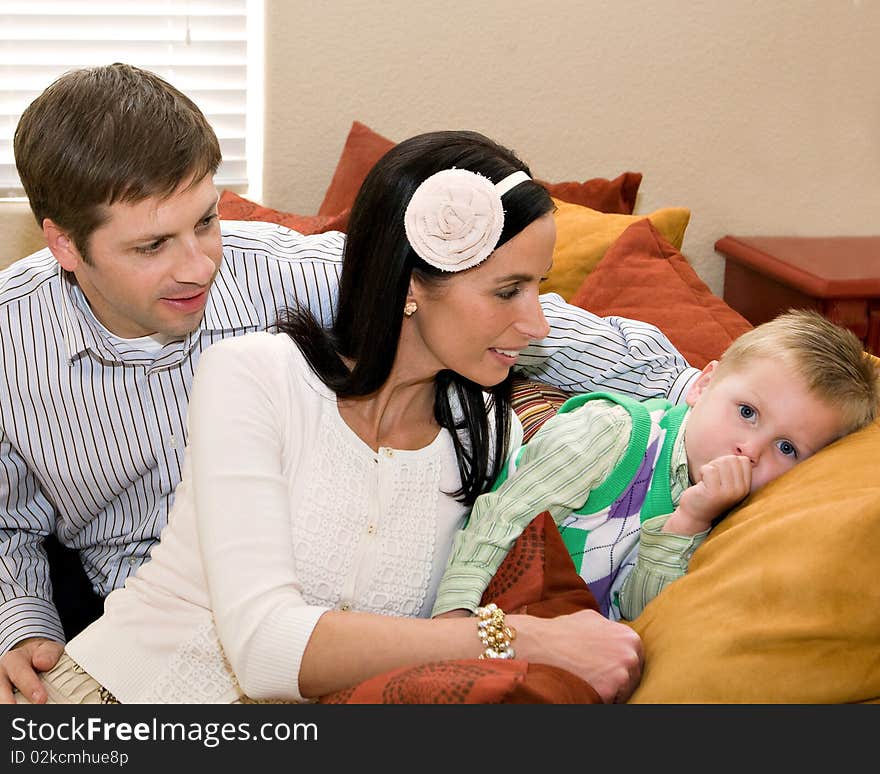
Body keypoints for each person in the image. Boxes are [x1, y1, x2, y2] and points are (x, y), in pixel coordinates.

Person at [0, 63, 694, 704]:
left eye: (207, 220)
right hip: (122, 630)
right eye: (152, 246)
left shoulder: (290, 274)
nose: (200, 265)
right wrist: (22, 624)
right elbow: (6, 520)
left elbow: (484, 301)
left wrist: (704, 391)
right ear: (63, 244)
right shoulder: (15, 338)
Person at [432, 310, 880, 622]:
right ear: (704, 384)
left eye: (786, 448)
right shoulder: (612, 432)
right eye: (746, 412)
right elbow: (503, 516)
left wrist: (689, 521)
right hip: (481, 610)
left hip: (567, 647)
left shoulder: (731, 515)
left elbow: (639, 610)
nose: (750, 450)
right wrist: (453, 617)